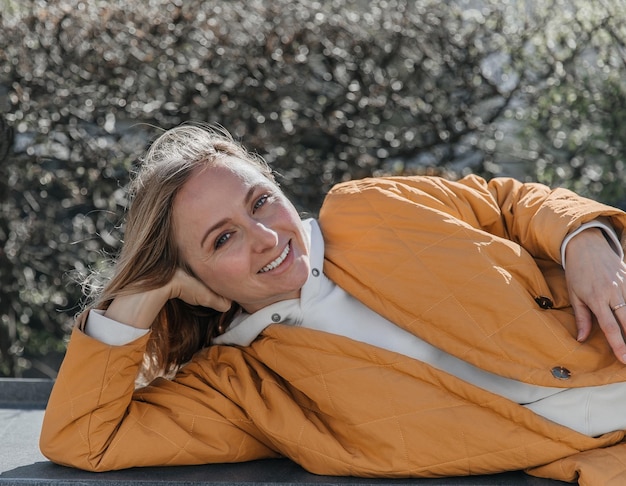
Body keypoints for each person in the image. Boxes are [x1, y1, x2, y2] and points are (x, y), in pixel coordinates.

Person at [40, 124, 626, 484]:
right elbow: (84, 438)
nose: (266, 237)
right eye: (222, 239)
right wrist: (142, 294)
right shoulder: (243, 391)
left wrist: (585, 238)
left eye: (261, 202)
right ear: (189, 278)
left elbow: (509, 202)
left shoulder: (371, 207)